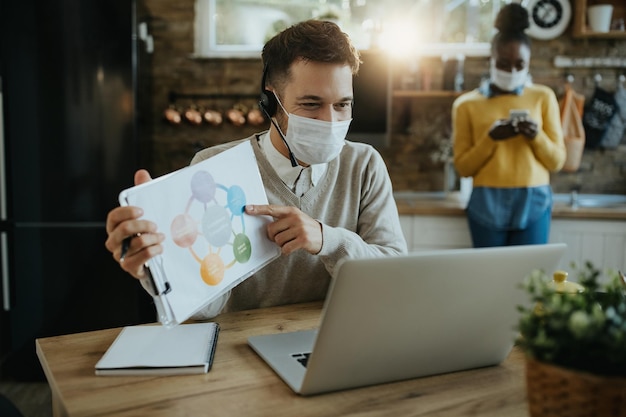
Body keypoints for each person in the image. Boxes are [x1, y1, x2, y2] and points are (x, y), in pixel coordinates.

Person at [105, 19, 407, 318]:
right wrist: (159, 269)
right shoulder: (213, 170)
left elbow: (393, 279)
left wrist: (326, 240)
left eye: (342, 105)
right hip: (242, 352)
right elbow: (207, 307)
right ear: (272, 99)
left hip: (335, 345)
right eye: (311, 104)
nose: (330, 122)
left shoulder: (364, 165)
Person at [451, 3, 566, 248]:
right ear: (491, 61)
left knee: (532, 283)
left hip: (533, 200)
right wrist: (490, 138)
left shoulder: (543, 97)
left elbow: (557, 161)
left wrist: (536, 135)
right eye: (503, 64)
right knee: (490, 279)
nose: (511, 71)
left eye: (519, 65)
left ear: (528, 63)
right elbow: (463, 167)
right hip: (486, 202)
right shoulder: (466, 105)